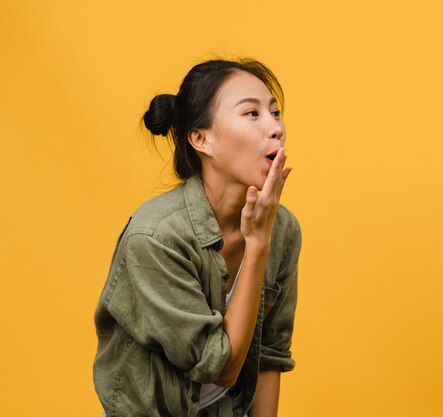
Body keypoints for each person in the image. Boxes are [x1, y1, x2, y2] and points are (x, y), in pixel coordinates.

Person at [93, 58, 301, 417]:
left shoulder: (282, 228)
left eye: (275, 112)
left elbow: (270, 353)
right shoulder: (156, 237)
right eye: (252, 114)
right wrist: (256, 247)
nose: (276, 128)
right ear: (201, 139)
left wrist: (263, 238)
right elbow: (220, 369)